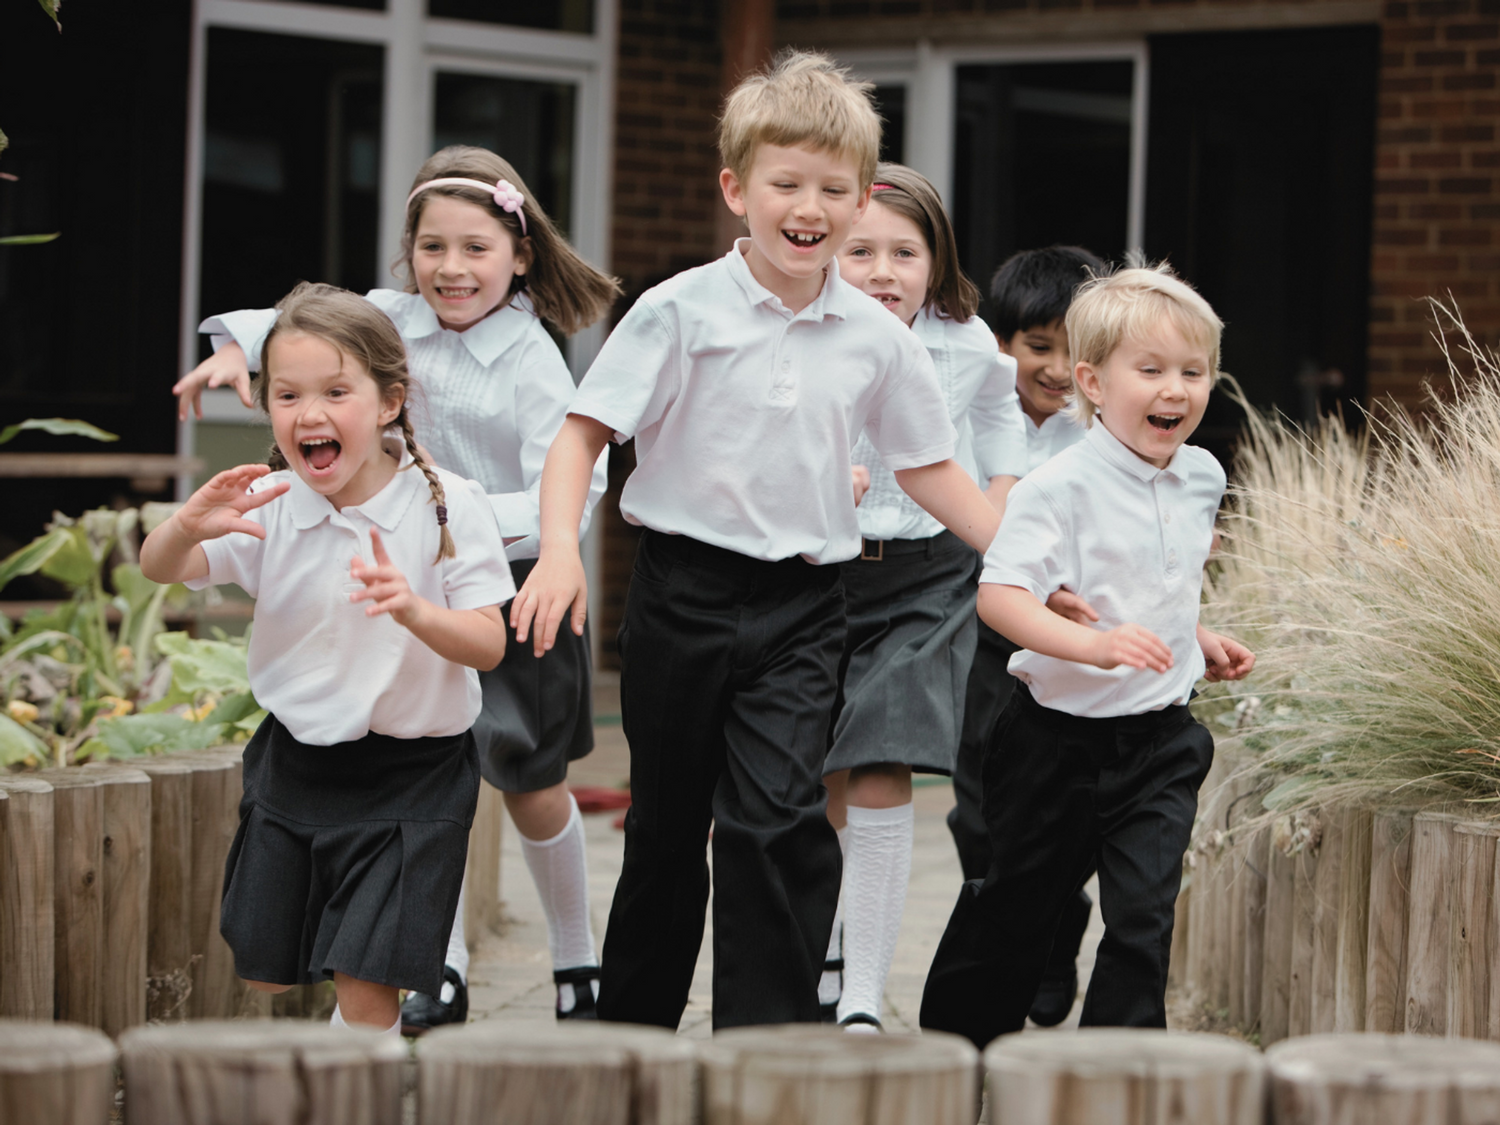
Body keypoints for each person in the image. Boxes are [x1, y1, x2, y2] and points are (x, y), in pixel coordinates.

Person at [510, 49, 1001, 1031]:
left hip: (805, 606)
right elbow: (584, 433)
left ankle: (765, 1046)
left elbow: (932, 470)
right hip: (680, 592)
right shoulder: (680, 310)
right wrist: (559, 547)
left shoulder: (879, 339)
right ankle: (635, 1039)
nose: (808, 206)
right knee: (664, 828)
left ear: (863, 200)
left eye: (833, 187)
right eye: (786, 183)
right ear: (738, 189)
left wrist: (1030, 564)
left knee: (778, 824)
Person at [173, 146, 621, 1028]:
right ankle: (437, 965)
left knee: (529, 782)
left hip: (512, 583)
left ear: (520, 255)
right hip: (393, 588)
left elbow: (568, 487)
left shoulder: (532, 356)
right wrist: (238, 349)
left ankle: (576, 953)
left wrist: (442, 515)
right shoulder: (388, 318)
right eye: (432, 247)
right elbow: (296, 326)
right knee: (428, 775)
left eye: (476, 248)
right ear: (407, 254)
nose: (451, 269)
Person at [142, 283, 514, 1034]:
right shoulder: (274, 501)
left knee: (367, 987)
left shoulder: (447, 505)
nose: (308, 413)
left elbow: (488, 641)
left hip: (416, 773)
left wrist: (412, 608)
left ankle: (348, 1091)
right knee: (265, 973)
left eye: (336, 391)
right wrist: (185, 524)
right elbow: (158, 567)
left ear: (387, 402)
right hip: (297, 762)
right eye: (287, 394)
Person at [919, 263, 1255, 1049]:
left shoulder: (1202, 475)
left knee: (1144, 916)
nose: (1175, 389)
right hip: (1052, 743)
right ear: (1092, 382)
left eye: (1193, 372)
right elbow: (1000, 598)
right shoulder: (1056, 486)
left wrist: (1191, 638)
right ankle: (955, 1051)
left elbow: (1156, 578)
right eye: (1151, 370)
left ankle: (1118, 1067)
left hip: (1161, 740)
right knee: (1016, 905)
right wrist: (1093, 645)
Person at [818, 163, 1026, 1032]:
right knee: (814, 770)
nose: (883, 271)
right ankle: (827, 938)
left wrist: (1004, 491)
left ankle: (862, 993)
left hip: (928, 574)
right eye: (861, 250)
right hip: (818, 571)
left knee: (882, 756)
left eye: (905, 252)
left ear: (936, 263)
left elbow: (1001, 415)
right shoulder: (806, 329)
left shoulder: (967, 342)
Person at [945, 245, 1106, 1027]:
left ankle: (1057, 921)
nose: (1055, 368)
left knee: (1052, 809)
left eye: (1074, 351)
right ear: (1000, 342)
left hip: (1067, 641)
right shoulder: (974, 418)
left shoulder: (1106, 438)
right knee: (973, 812)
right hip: (982, 634)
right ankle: (1027, 928)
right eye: (1038, 346)